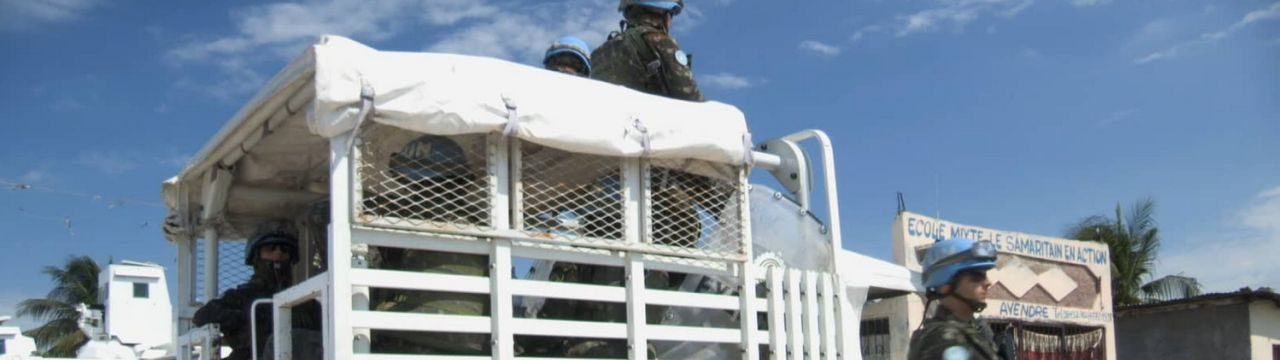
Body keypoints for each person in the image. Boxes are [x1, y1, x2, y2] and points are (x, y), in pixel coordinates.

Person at [366, 134, 492, 355]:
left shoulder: (412, 220)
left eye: (412, 183)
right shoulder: (479, 225)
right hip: (469, 339)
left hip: (418, 335)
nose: (408, 189)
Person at [193, 227, 319, 360]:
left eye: (285, 250)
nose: (278, 253)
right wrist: (241, 318)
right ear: (256, 256)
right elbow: (202, 315)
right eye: (270, 248)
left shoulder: (305, 300)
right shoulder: (242, 296)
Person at [907, 238, 1005, 360]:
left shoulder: (969, 331)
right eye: (977, 275)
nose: (988, 282)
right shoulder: (941, 340)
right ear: (946, 285)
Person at [591, 0, 703, 101]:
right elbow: (690, 97)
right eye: (671, 14)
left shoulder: (600, 52)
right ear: (660, 11)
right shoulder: (660, 42)